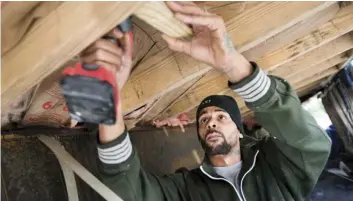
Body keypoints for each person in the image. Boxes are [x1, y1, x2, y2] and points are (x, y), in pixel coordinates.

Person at [81, 2, 331, 201]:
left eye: (221, 117)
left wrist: (235, 65)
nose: (211, 123)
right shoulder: (186, 189)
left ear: (240, 129)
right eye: (204, 119)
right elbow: (130, 192)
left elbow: (310, 143)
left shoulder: (277, 171)